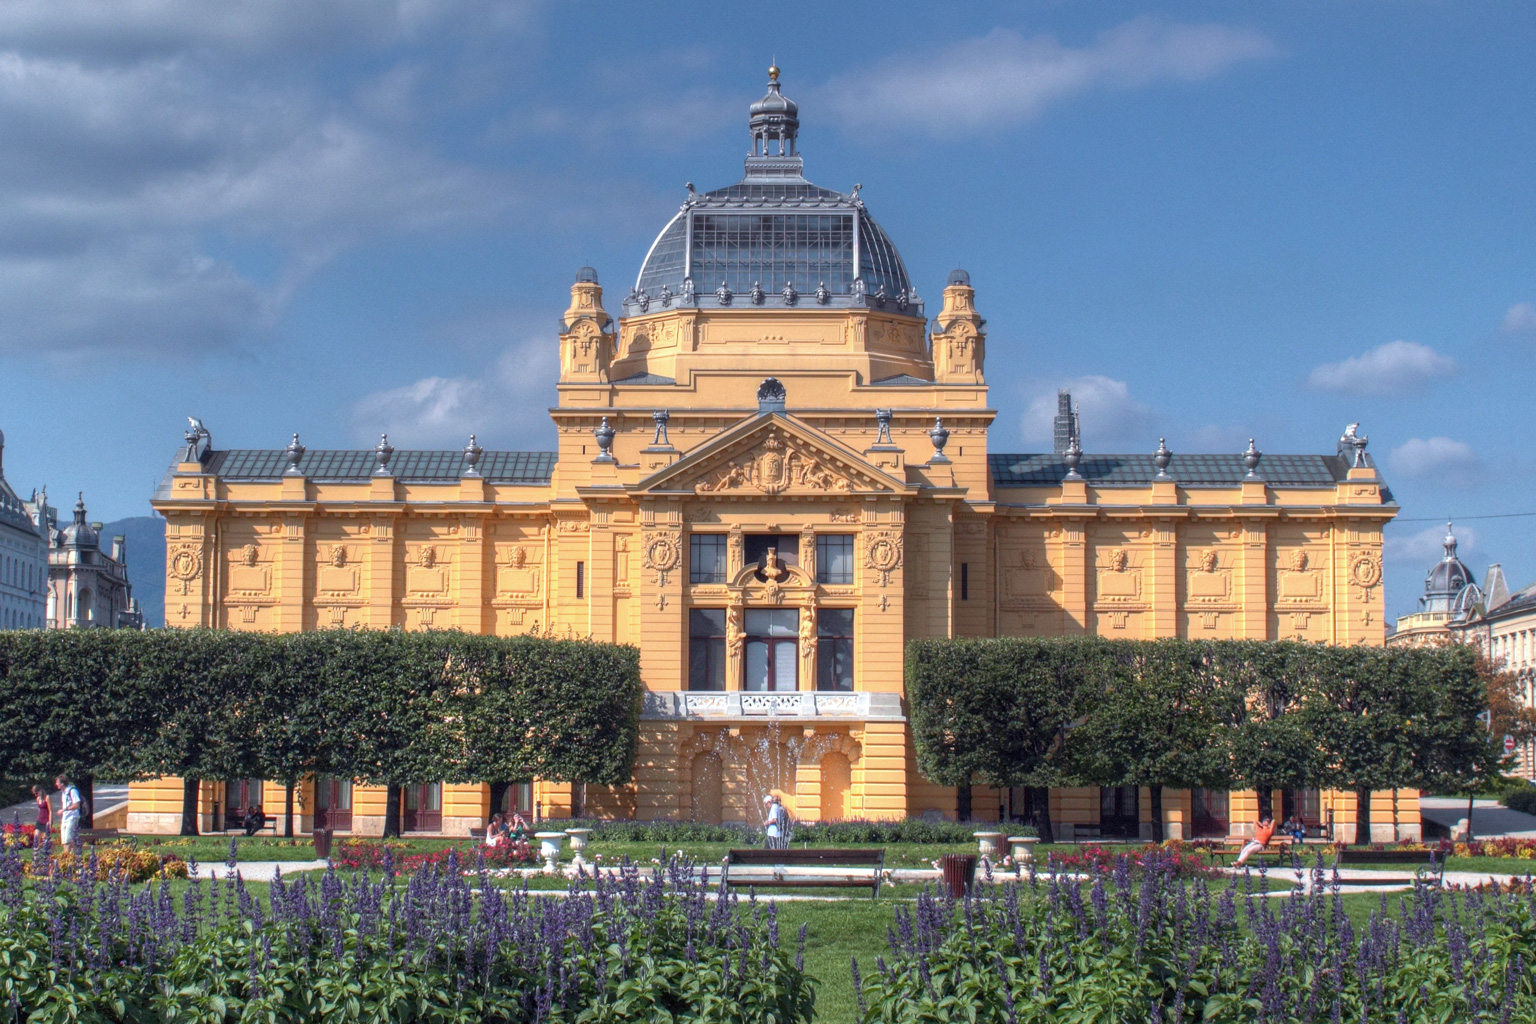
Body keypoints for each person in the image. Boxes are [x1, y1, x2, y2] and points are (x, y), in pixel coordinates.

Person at [56, 776, 81, 848]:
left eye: (57, 782)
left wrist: (64, 809)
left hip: (72, 817)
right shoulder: (63, 792)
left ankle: (72, 856)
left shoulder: (72, 791)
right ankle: (69, 857)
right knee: (64, 841)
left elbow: (76, 805)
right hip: (65, 818)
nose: (56, 784)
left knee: (68, 839)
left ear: (62, 784)